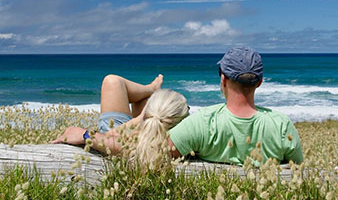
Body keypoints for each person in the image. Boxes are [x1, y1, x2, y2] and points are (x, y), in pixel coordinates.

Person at [167, 46, 304, 166]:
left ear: (223, 79)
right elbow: (297, 169)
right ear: (259, 82)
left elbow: (159, 152)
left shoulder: (203, 121)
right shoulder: (281, 125)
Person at [51, 74, 189, 169]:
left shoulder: (162, 147)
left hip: (116, 142)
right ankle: (150, 91)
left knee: (112, 81)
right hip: (128, 134)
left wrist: (86, 135)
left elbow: (115, 141)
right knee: (120, 87)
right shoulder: (187, 133)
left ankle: (151, 92)